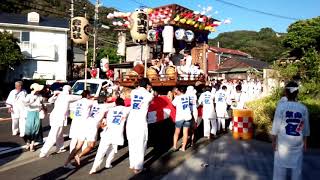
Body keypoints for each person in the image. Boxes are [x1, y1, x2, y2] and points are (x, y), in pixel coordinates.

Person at [271, 81, 310, 180]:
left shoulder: (281, 107)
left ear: (286, 93)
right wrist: (305, 142)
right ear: (297, 93)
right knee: (297, 171)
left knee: (279, 172)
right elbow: (305, 128)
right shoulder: (303, 108)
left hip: (283, 143)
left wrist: (273, 140)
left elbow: (276, 126)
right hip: (297, 142)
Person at [89, 98, 130, 174]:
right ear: (122, 103)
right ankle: (108, 163)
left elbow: (104, 120)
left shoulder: (110, 110)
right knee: (113, 149)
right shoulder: (126, 109)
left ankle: (94, 168)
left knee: (101, 152)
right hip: (117, 134)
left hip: (107, 133)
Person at [39, 85, 81, 158]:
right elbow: (79, 97)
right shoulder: (67, 96)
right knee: (54, 134)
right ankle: (43, 151)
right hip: (59, 118)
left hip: (54, 116)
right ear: (69, 90)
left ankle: (60, 148)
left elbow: (50, 100)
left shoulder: (60, 95)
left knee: (60, 133)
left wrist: (55, 94)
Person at [126, 78, 153, 174]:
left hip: (131, 120)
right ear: (147, 85)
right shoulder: (149, 95)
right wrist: (149, 90)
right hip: (140, 121)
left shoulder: (133, 92)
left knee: (132, 143)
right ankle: (138, 167)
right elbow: (150, 100)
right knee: (141, 144)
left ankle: (132, 164)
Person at [64, 90, 94, 169]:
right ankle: (68, 161)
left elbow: (71, 110)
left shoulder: (76, 102)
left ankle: (70, 160)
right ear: (87, 95)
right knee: (79, 145)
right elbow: (97, 102)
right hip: (82, 125)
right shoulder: (88, 102)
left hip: (75, 123)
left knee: (75, 142)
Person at [23, 83, 45, 152]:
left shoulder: (40, 96)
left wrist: (43, 108)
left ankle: (32, 145)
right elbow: (25, 104)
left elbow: (42, 103)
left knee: (36, 129)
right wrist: (31, 102)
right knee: (29, 130)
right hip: (30, 114)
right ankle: (28, 143)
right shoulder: (29, 96)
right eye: (38, 90)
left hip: (37, 114)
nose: (39, 91)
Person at [172, 86, 193, 152]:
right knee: (185, 132)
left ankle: (175, 146)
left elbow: (173, 104)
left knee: (177, 132)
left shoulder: (177, 98)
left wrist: (174, 96)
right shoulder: (187, 96)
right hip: (187, 116)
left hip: (180, 117)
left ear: (179, 91)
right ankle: (183, 148)